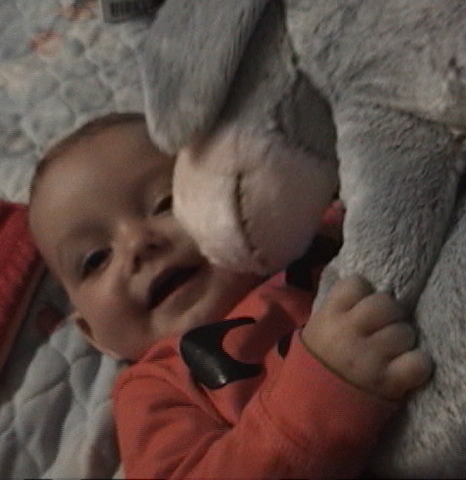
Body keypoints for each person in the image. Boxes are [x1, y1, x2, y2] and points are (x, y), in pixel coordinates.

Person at [28, 112, 433, 479]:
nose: (137, 243)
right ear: (93, 334)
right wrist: (325, 390)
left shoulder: (313, 232)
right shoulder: (154, 389)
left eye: (166, 202)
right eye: (95, 259)